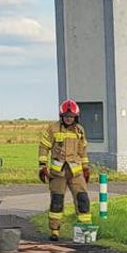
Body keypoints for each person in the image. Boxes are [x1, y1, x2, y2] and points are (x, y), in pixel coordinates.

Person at [38, 99, 92, 241]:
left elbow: (83, 151)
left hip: (76, 173)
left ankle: (85, 231)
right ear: (61, 116)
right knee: (57, 201)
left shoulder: (80, 130)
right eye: (66, 116)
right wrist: (42, 166)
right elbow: (44, 147)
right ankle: (55, 230)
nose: (69, 119)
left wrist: (85, 167)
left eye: (71, 116)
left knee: (83, 200)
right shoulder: (52, 129)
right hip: (58, 173)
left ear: (76, 117)